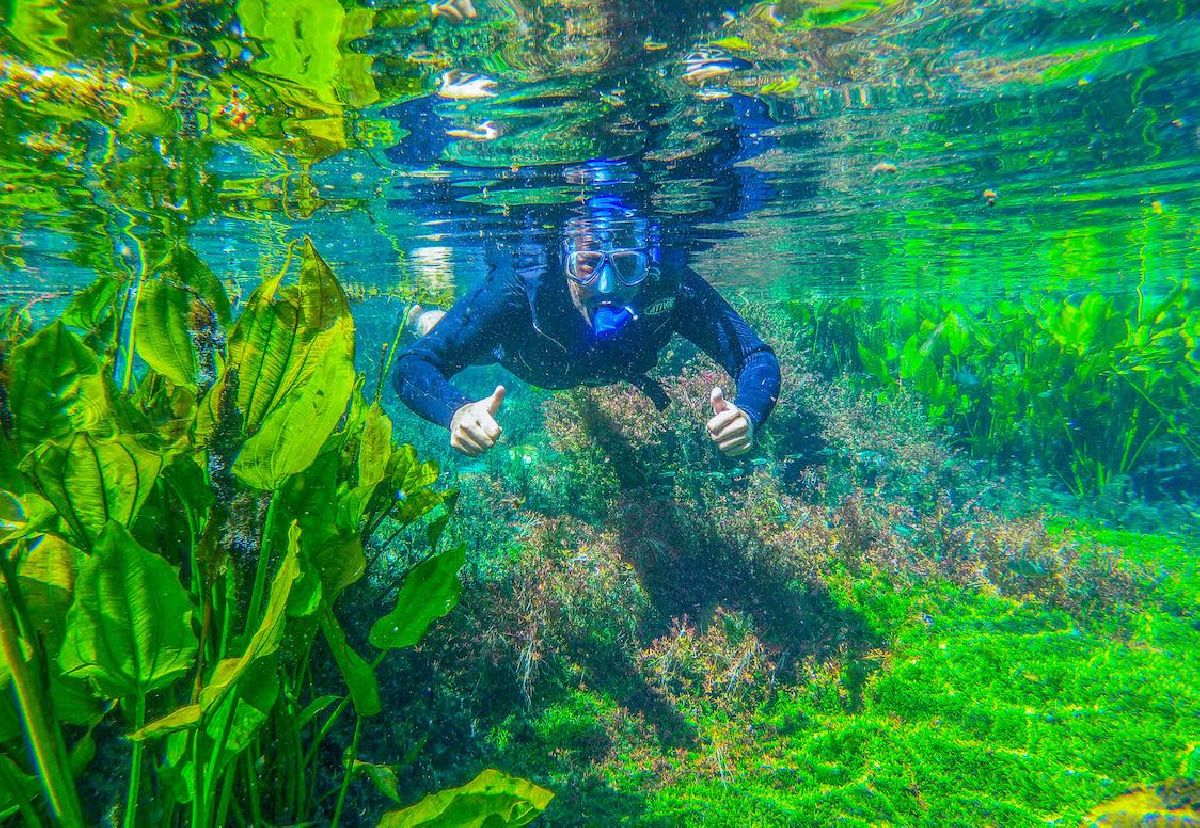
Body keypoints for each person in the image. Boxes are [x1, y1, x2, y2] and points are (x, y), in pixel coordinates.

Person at [393, 169, 781, 458]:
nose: (607, 287)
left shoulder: (669, 285)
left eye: (628, 265)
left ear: (650, 263)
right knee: (462, 341)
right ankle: (424, 319)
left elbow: (753, 355)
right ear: (563, 260)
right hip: (518, 355)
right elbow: (414, 367)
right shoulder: (517, 290)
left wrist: (748, 411)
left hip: (573, 364)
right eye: (587, 265)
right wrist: (456, 411)